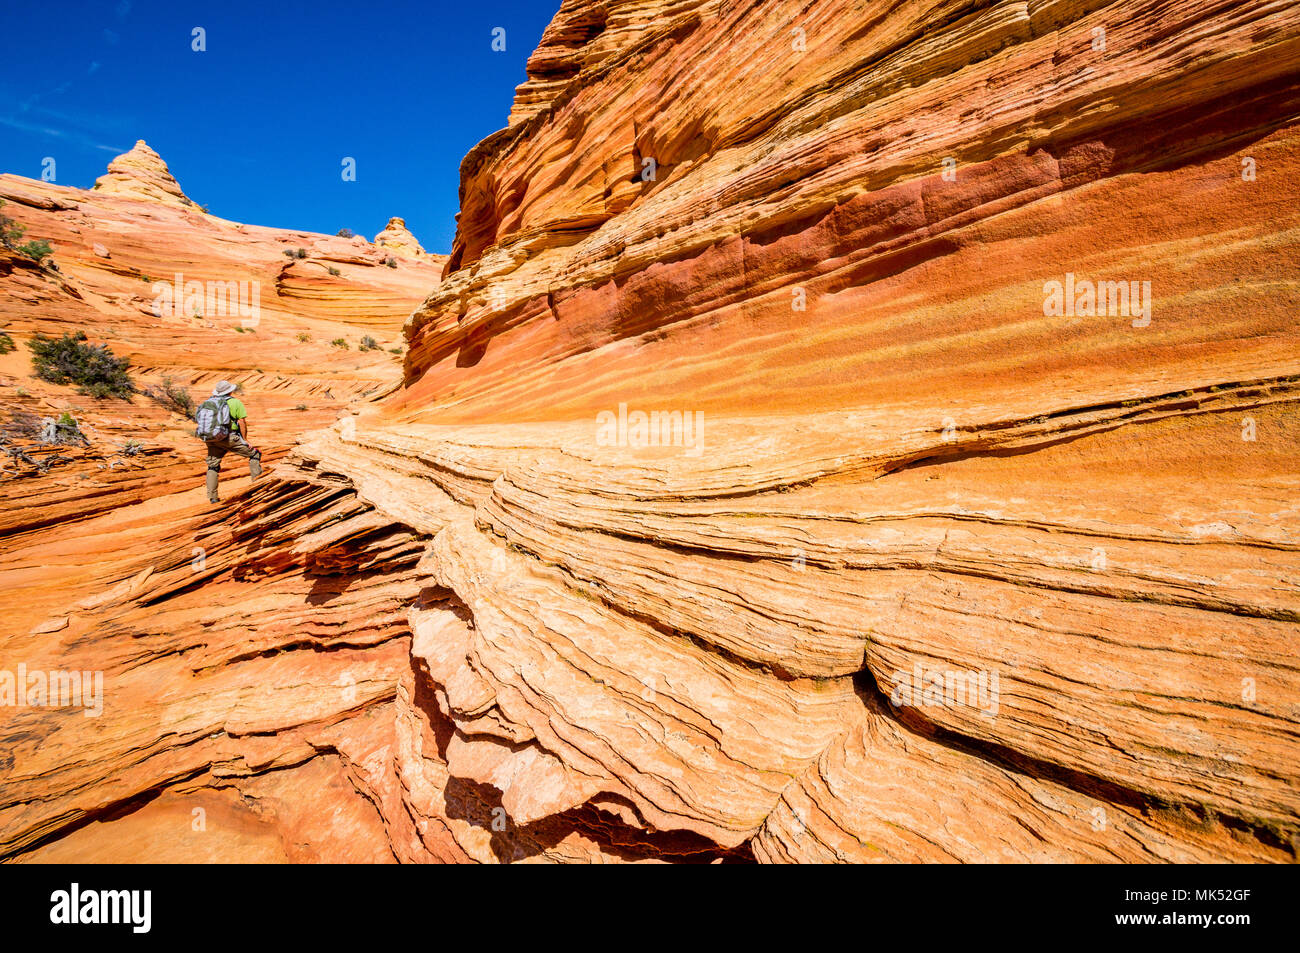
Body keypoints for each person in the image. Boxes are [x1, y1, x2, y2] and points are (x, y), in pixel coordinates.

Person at [199, 380, 261, 503]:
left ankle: (213, 497)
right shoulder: (235, 402)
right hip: (229, 437)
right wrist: (245, 440)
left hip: (211, 438)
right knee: (254, 454)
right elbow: (242, 422)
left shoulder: (208, 402)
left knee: (213, 465)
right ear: (230, 391)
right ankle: (259, 487)